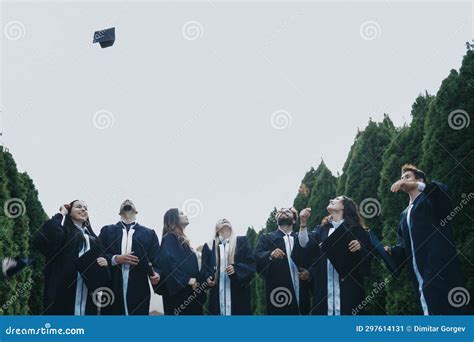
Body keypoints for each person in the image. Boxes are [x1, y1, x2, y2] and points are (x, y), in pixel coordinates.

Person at [384, 164, 466, 315]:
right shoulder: (404, 214)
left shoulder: (430, 199)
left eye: (407, 177)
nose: (403, 180)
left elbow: (442, 194)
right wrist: (390, 251)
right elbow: (403, 245)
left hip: (439, 267)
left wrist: (416, 185)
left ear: (420, 180)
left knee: (450, 310)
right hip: (419, 275)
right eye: (402, 178)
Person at [296, 196, 372, 315]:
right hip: (324, 286)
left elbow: (368, 257)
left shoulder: (357, 230)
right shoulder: (322, 229)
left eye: (336, 199)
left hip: (349, 286)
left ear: (344, 206)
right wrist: (303, 222)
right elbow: (305, 243)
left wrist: (360, 247)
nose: (331, 199)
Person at [33, 200, 109, 315]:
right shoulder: (63, 232)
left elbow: (102, 257)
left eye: (85, 208)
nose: (83, 209)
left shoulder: (93, 239)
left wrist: (104, 261)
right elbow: (47, 235)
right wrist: (61, 214)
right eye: (79, 207)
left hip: (87, 292)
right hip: (63, 289)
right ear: (69, 211)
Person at [98, 199, 160, 315]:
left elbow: (157, 260)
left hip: (139, 288)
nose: (127, 201)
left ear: (136, 211)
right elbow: (98, 254)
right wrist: (115, 259)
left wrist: (156, 273)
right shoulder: (107, 231)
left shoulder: (149, 233)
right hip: (112, 287)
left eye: (131, 202)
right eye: (124, 202)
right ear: (119, 212)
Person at [254, 207, 311, 315]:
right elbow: (257, 257)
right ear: (277, 221)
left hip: (302, 289)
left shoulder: (302, 237)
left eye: (287, 211)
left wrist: (310, 273)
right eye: (280, 212)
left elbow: (314, 258)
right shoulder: (266, 238)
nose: (283, 211)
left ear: (294, 220)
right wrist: (270, 255)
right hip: (278, 291)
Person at [201, 218, 256, 315]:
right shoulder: (209, 247)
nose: (224, 220)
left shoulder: (241, 241)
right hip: (216, 295)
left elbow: (251, 264)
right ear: (216, 228)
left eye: (227, 220)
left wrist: (237, 269)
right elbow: (204, 270)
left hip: (239, 295)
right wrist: (207, 279)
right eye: (221, 220)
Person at [158, 208, 205, 315]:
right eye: (182, 214)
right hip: (180, 296)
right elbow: (167, 263)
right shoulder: (170, 238)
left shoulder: (181, 240)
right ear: (172, 220)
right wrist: (186, 280)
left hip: (190, 293)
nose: (186, 215)